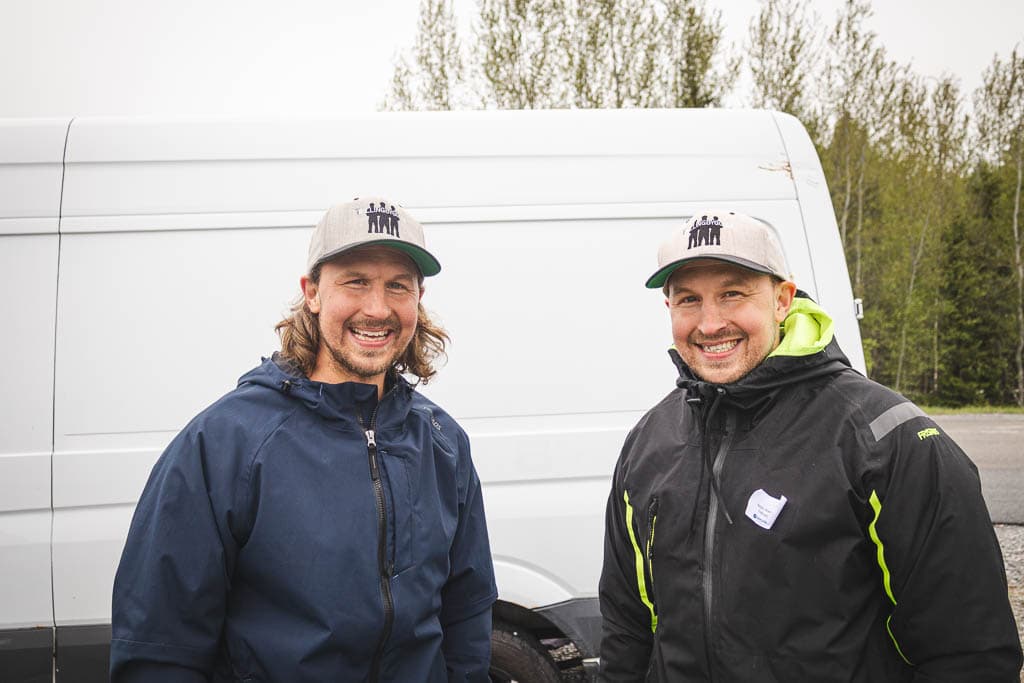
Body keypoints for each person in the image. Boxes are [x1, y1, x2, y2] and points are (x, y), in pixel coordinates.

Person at [598, 210, 1023, 682]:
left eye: (733, 294)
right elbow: (628, 629)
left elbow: (969, 652)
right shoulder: (649, 442)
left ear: (782, 300)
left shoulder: (885, 437)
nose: (710, 323)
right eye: (689, 300)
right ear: (670, 309)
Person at [111, 197, 497, 682]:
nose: (377, 308)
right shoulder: (225, 443)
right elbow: (159, 647)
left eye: (397, 286)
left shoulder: (444, 444)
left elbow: (467, 614)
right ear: (312, 293)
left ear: (418, 298)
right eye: (355, 281)